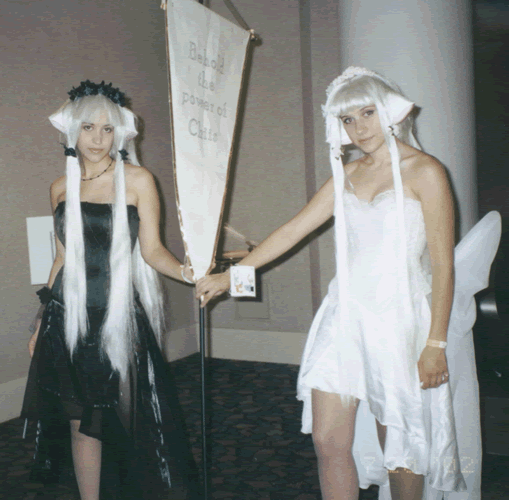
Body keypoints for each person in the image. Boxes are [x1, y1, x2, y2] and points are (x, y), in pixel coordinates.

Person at [196, 67, 499, 499]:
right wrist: (231, 276)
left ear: (390, 111)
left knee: (400, 443)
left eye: (368, 113)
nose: (359, 128)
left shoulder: (426, 171)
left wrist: (435, 344)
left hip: (398, 319)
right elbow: (292, 230)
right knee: (327, 439)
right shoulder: (348, 173)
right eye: (348, 119)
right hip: (344, 315)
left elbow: (442, 265)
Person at [22, 80, 199, 500]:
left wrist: (192, 275)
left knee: (127, 417)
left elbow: (153, 251)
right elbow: (61, 259)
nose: (98, 139)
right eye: (88, 128)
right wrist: (40, 321)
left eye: (107, 129)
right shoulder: (59, 187)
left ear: (120, 134)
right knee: (79, 423)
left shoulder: (137, 180)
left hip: (117, 318)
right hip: (67, 317)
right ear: (72, 131)